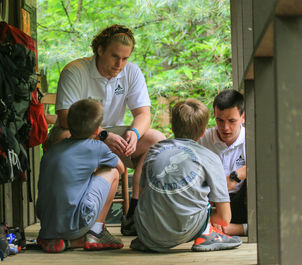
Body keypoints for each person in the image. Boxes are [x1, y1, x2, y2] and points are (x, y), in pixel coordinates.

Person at [47, 24, 166, 235]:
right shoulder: (75, 71)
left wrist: (134, 134)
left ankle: (136, 213)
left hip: (113, 135)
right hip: (78, 133)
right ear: (99, 50)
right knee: (62, 137)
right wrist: (101, 135)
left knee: (156, 138)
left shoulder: (132, 72)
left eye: (125, 58)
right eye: (114, 57)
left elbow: (143, 114)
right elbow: (66, 118)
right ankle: (70, 218)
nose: (120, 64)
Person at [130, 98, 242, 252]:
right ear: (203, 132)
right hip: (185, 229)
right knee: (204, 204)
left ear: (173, 125)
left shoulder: (154, 150)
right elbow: (224, 218)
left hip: (145, 229)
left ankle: (150, 240)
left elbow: (143, 196)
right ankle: (207, 233)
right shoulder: (209, 157)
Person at [36, 99, 125, 253]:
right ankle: (96, 233)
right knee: (113, 173)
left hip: (47, 226)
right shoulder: (97, 148)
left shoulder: (53, 149)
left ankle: (65, 241)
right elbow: (121, 169)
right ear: (98, 130)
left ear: (69, 125)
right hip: (75, 225)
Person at [198, 89, 247, 236]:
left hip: (242, 200)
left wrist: (238, 174)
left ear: (242, 117)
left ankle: (240, 229)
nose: (225, 128)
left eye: (232, 121)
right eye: (220, 120)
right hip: (210, 202)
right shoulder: (203, 140)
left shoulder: (252, 139)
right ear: (214, 116)